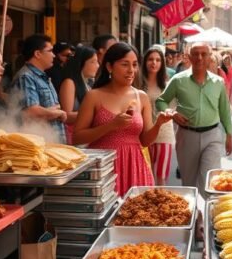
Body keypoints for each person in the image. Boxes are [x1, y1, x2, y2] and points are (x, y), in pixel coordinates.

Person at [73, 43, 173, 195]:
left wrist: (158, 124)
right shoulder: (94, 96)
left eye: (134, 65)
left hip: (135, 166)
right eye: (125, 64)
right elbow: (77, 137)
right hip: (104, 167)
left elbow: (145, 141)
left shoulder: (141, 97)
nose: (131, 70)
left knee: (137, 209)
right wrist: (110, 125)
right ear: (109, 67)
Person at [156, 42, 232, 193]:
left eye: (204, 54)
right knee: (189, 183)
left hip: (212, 136)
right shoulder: (178, 80)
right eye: (195, 54)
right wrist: (171, 113)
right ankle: (194, 208)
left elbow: (224, 109)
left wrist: (229, 134)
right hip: (187, 136)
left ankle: (205, 207)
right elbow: (161, 101)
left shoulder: (218, 82)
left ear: (209, 57)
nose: (200, 58)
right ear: (189, 57)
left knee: (208, 180)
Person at [9, 34, 68, 143]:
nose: (53, 55)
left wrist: (53, 111)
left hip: (51, 141)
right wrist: (57, 113)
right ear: (37, 54)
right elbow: (31, 111)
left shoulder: (41, 76)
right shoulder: (26, 76)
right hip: (39, 143)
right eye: (50, 51)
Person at [141, 47, 173, 185]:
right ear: (145, 62)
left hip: (163, 134)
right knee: (146, 175)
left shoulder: (167, 85)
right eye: (150, 59)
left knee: (161, 176)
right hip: (143, 134)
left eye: (158, 60)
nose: (154, 63)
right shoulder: (137, 84)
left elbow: (174, 107)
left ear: (162, 63)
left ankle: (161, 198)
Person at [58, 45, 98, 141]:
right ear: (81, 63)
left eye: (97, 62)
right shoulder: (69, 83)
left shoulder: (89, 83)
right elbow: (66, 116)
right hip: (74, 135)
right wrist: (93, 114)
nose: (97, 65)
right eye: (93, 62)